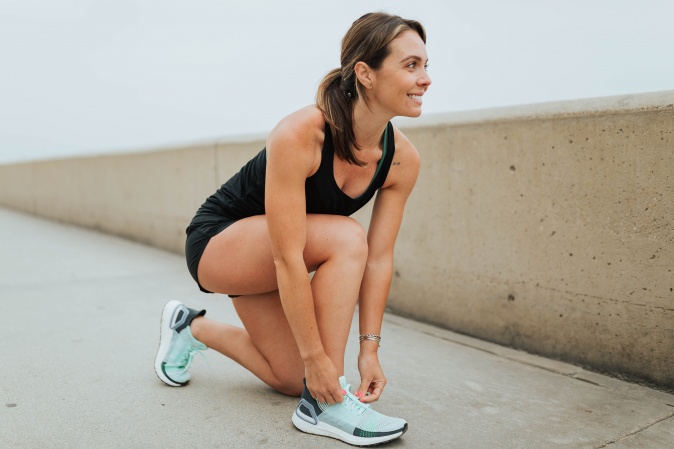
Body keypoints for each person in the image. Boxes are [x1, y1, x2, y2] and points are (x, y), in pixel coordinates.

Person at [154, 11, 431, 447]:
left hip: (278, 256)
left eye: (425, 65)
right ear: (366, 74)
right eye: (410, 65)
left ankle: (189, 327)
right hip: (220, 244)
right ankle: (326, 406)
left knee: (291, 378)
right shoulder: (301, 134)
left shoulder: (402, 160)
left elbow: (379, 258)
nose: (425, 78)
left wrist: (369, 350)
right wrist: (318, 357)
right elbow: (288, 256)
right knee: (345, 237)